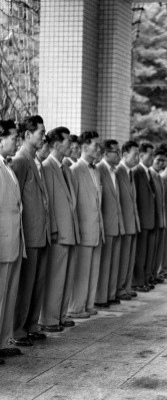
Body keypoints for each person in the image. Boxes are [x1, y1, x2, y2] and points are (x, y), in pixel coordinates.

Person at [10, 115, 50, 347]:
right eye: (41, 132)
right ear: (27, 134)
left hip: (40, 232)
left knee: (37, 283)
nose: (44, 136)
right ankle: (18, 329)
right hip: (29, 233)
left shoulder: (36, 161)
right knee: (25, 285)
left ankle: (31, 325)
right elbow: (16, 200)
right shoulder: (20, 161)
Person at [39, 126, 80, 332]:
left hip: (69, 230)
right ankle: (49, 318)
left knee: (66, 276)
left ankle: (61, 315)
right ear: (56, 144)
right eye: (67, 142)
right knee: (55, 277)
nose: (71, 145)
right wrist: (53, 229)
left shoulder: (66, 168)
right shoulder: (47, 167)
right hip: (58, 233)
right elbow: (47, 202)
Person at [68, 131, 104, 318]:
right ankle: (76, 307)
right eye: (95, 145)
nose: (99, 148)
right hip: (83, 229)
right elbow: (73, 204)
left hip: (96, 228)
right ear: (84, 147)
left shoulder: (96, 170)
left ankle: (88, 304)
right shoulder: (75, 170)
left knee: (93, 269)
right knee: (81, 272)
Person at [0, 120, 24, 363]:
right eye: (14, 137)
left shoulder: (7, 167)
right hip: (2, 242)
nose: (17, 142)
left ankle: (3, 341)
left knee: (7, 295)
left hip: (13, 241)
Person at [95, 140, 125, 308]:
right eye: (116, 152)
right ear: (106, 153)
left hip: (116, 223)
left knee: (114, 262)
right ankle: (100, 297)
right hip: (105, 224)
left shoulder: (115, 172)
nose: (119, 155)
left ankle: (110, 294)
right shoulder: (99, 169)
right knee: (104, 263)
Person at [115, 140, 140, 300]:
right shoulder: (118, 171)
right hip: (122, 222)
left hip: (132, 222)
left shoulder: (130, 172)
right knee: (122, 259)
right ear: (124, 155)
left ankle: (126, 286)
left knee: (129, 258)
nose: (138, 158)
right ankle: (119, 288)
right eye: (135, 154)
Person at [132, 143, 156, 292]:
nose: (153, 158)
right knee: (139, 254)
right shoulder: (136, 171)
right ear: (141, 155)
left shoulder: (148, 172)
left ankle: (145, 280)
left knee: (147, 253)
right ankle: (138, 282)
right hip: (141, 220)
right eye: (150, 155)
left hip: (150, 220)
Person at [149, 149, 167, 286]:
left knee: (157, 250)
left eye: (163, 160)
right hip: (152, 219)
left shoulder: (159, 177)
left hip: (160, 218)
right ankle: (149, 276)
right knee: (150, 251)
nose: (160, 163)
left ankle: (154, 274)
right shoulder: (149, 174)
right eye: (158, 160)